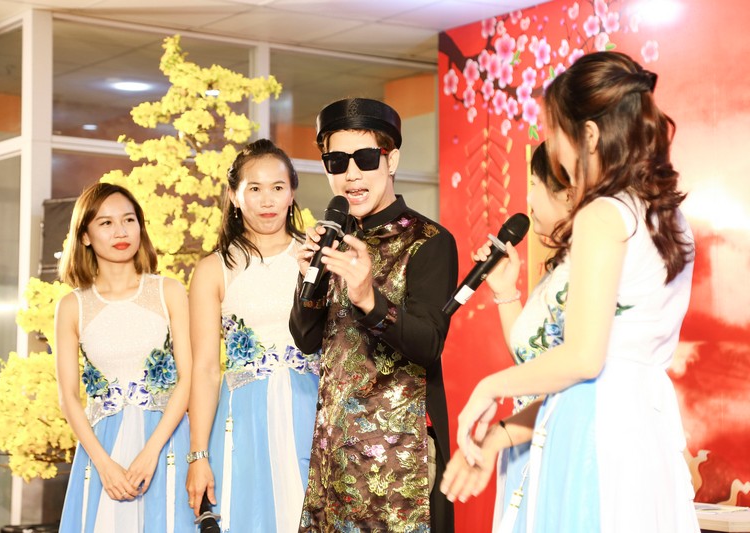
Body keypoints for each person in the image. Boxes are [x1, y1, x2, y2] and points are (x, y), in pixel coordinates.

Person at [441, 51, 699, 533]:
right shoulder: (669, 218)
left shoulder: (602, 215)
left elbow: (583, 360)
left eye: (553, 131)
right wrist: (497, 436)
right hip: (645, 433)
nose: (553, 150)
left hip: (593, 436)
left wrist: (489, 386)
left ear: (589, 135)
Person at [290, 97, 458, 532]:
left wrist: (368, 298)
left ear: (391, 160)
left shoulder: (428, 241)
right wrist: (308, 279)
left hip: (400, 461)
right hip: (333, 454)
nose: (351, 174)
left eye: (365, 158)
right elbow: (306, 339)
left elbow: (428, 344)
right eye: (337, 161)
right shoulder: (333, 238)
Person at [185, 139, 319, 532]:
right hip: (243, 420)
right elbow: (205, 369)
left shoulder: (316, 256)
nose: (267, 200)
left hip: (312, 411)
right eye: (255, 188)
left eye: (278, 187)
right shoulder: (214, 269)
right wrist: (198, 455)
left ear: (292, 193)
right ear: (234, 195)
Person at [55, 182, 193, 532]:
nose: (121, 231)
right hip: (101, 448)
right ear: (85, 236)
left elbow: (188, 378)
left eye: (129, 220)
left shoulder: (169, 291)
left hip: (167, 440)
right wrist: (103, 465)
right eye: (106, 223)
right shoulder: (72, 306)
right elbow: (68, 396)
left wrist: (151, 452)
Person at [472, 142, 572, 533]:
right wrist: (505, 291)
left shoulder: (587, 270)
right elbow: (532, 358)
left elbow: (573, 372)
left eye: (534, 184)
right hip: (527, 440)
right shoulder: (560, 268)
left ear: (568, 192)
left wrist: (497, 415)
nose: (527, 199)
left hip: (559, 442)